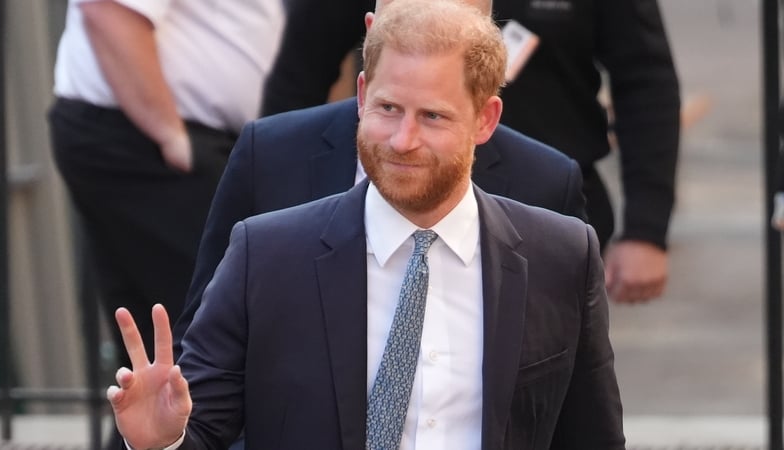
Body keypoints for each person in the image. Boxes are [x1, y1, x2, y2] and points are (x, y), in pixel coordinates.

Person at [108, 1, 625, 448]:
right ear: (360, 96)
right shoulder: (265, 255)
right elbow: (205, 430)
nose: (403, 139)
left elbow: (593, 437)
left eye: (433, 117)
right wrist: (164, 440)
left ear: (485, 120)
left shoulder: (560, 255)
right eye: (388, 108)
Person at [171, 0, 587, 358]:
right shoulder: (272, 155)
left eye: (457, 32)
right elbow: (203, 351)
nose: (429, 45)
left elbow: (565, 388)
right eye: (408, 24)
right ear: (372, 32)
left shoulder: (545, 183)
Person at [261, 0, 680, 305]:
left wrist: (646, 227)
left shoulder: (552, 189)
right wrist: (286, 208)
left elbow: (645, 78)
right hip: (386, 198)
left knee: (540, 383)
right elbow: (299, 74)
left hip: (548, 199)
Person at [47, 0, 284, 446]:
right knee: (206, 351)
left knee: (153, 378)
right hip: (149, 143)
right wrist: (172, 137)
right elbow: (109, 10)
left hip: (154, 142)